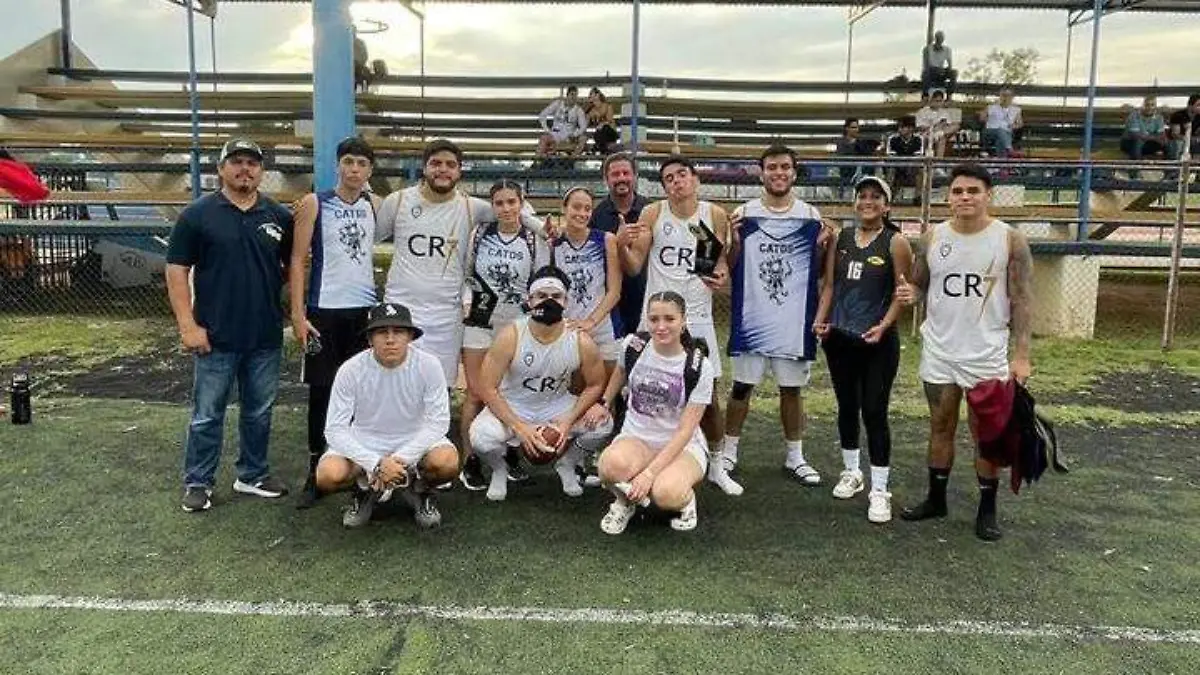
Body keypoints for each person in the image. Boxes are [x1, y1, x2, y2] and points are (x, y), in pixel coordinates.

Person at [376, 139, 544, 488]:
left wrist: (545, 228)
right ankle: (391, 457)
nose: (443, 170)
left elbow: (514, 210)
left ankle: (434, 458)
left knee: (438, 388)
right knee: (397, 382)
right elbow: (370, 238)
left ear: (460, 170)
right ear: (424, 167)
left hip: (447, 314)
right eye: (436, 163)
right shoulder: (399, 201)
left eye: (450, 164)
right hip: (403, 310)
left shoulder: (471, 207)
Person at [897, 163, 1034, 541]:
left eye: (973, 191)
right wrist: (912, 294)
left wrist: (1021, 355)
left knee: (985, 433)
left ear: (988, 195)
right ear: (948, 197)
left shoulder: (1009, 240)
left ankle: (987, 509)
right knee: (940, 425)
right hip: (940, 349)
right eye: (957, 191)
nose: (965, 197)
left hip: (985, 353)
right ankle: (936, 499)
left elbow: (1022, 300)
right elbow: (920, 285)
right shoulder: (932, 237)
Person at [166, 138, 293, 513]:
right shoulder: (197, 215)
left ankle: (252, 474)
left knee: (259, 412)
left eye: (252, 163)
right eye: (236, 162)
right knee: (207, 415)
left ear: (262, 171)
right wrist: (187, 325)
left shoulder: (278, 216)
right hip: (215, 335)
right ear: (221, 169)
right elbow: (176, 270)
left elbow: (292, 267)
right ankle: (198, 481)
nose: (244, 169)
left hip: (264, 335)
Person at [711, 145, 827, 496]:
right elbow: (728, 265)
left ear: (794, 172)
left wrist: (822, 245)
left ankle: (795, 457)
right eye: (772, 167)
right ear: (761, 173)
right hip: (753, 318)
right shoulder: (744, 214)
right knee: (741, 388)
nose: (779, 173)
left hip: (793, 320)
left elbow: (819, 270)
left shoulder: (810, 216)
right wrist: (732, 240)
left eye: (785, 167)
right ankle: (729, 453)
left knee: (792, 390)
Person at [812, 176, 913, 523]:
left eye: (875, 197)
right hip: (840, 337)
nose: (868, 202)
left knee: (874, 410)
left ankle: (880, 490)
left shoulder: (896, 242)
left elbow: (902, 294)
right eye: (862, 196)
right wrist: (821, 320)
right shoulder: (841, 238)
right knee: (847, 406)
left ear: (887, 206)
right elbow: (830, 285)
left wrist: (884, 326)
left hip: (877, 341)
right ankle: (851, 472)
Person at [288, 137, 382, 509]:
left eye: (362, 163)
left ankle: (361, 467)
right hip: (324, 311)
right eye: (348, 162)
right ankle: (315, 470)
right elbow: (298, 260)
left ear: (370, 170)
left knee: (364, 391)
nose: (354, 169)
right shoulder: (315, 202)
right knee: (323, 390)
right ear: (337, 165)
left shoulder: (376, 205)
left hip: (364, 313)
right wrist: (298, 314)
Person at [619, 155, 730, 462]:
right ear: (664, 187)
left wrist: (720, 275)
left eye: (682, 174)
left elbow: (718, 264)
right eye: (669, 178)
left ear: (695, 179)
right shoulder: (654, 213)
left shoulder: (714, 214)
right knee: (645, 391)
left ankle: (717, 463)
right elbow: (634, 266)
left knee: (708, 397)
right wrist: (621, 245)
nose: (676, 181)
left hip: (697, 315)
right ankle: (642, 452)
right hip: (658, 318)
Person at [469, 266, 613, 501]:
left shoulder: (580, 340)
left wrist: (568, 420)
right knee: (481, 437)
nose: (549, 301)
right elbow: (487, 387)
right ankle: (499, 469)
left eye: (556, 296)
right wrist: (519, 427)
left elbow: (595, 384)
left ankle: (567, 464)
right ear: (530, 300)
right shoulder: (511, 335)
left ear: (566, 301)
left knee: (602, 424)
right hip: (515, 404)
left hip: (557, 404)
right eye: (541, 296)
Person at [315, 302, 459, 529]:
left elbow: (438, 422)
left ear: (410, 336)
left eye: (398, 331)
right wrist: (375, 464)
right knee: (327, 475)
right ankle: (364, 491)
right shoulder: (350, 370)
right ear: (370, 338)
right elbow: (334, 429)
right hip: (366, 441)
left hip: (414, 438)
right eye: (382, 332)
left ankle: (420, 491)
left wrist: (400, 460)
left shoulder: (429, 365)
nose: (390, 339)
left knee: (447, 462)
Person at [594, 291, 715, 534]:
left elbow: (685, 431)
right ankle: (624, 502)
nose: (661, 326)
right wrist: (604, 402)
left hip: (681, 446)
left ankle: (686, 501)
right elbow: (620, 372)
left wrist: (649, 473)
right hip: (637, 437)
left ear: (683, 321)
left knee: (666, 493)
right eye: (654, 319)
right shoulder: (633, 346)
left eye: (669, 319)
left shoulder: (699, 366)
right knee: (609, 466)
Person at [458, 179, 549, 492]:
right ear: (492, 205)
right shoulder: (480, 233)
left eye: (512, 202)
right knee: (475, 393)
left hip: (516, 326)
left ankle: (509, 455)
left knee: (511, 392)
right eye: (499, 203)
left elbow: (541, 283)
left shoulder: (534, 239)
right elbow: (466, 273)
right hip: (480, 321)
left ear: (522, 203)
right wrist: (466, 300)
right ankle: (469, 460)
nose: (506, 208)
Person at [552, 186, 623, 373]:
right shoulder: (553, 243)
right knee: (575, 387)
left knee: (608, 388)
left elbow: (615, 291)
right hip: (569, 327)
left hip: (604, 327)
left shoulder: (606, 240)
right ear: (564, 208)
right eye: (576, 207)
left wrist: (591, 321)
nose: (582, 214)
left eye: (587, 209)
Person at [590, 152, 649, 336]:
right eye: (615, 174)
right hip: (610, 301)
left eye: (626, 173)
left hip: (646, 297)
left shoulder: (649, 211)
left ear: (635, 176)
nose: (621, 178)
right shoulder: (596, 215)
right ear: (606, 179)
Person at [537, 85, 589, 157]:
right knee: (543, 138)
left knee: (583, 138)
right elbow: (542, 115)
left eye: (576, 95)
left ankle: (572, 159)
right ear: (567, 95)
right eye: (572, 94)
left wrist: (575, 134)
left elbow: (583, 126)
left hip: (569, 136)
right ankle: (537, 160)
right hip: (555, 134)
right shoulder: (558, 104)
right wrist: (547, 130)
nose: (573, 97)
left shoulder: (578, 110)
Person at [915, 90, 962, 158]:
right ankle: (938, 160)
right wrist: (934, 127)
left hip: (941, 132)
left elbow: (948, 125)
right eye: (936, 101)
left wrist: (941, 128)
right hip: (927, 133)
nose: (938, 103)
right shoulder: (922, 111)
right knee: (941, 138)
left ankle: (940, 134)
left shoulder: (944, 112)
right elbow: (920, 126)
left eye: (940, 101)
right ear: (931, 100)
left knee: (956, 126)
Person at [886, 115, 924, 198]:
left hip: (912, 166)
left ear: (911, 128)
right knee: (891, 169)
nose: (900, 130)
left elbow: (918, 156)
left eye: (903, 127)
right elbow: (890, 156)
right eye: (899, 127)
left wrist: (909, 164)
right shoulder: (892, 139)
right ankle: (889, 196)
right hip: (897, 166)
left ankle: (918, 197)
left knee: (920, 169)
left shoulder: (918, 139)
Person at [1121, 96, 1169, 161]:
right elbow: (1136, 135)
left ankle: (1169, 165)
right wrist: (1154, 137)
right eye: (1147, 105)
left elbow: (1161, 134)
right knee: (1139, 141)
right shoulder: (1134, 116)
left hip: (1148, 142)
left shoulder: (1159, 118)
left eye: (1152, 105)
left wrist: (1159, 139)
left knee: (1166, 142)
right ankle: (1136, 164)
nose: (1149, 107)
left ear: (1155, 107)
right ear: (1142, 106)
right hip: (1130, 143)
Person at [980, 89, 1023, 158]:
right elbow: (982, 119)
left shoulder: (1016, 109)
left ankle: (1002, 160)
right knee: (1000, 130)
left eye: (1008, 95)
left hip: (1007, 132)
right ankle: (1010, 149)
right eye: (1003, 95)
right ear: (1000, 96)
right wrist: (985, 116)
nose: (1006, 98)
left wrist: (1013, 126)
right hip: (990, 131)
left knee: (1000, 139)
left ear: (1012, 97)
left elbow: (1020, 124)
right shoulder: (991, 107)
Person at [921, 31, 957, 98]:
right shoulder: (927, 49)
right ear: (935, 38)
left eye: (941, 38)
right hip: (931, 72)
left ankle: (949, 95)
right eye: (938, 38)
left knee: (954, 72)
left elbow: (950, 65)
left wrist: (946, 70)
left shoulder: (947, 50)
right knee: (925, 72)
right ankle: (926, 95)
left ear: (943, 39)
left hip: (941, 72)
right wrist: (936, 69)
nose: (939, 40)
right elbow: (926, 65)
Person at [585, 87, 620, 156]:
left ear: (598, 95)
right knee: (597, 134)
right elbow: (586, 123)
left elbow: (610, 121)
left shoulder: (607, 106)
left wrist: (602, 124)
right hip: (600, 135)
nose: (591, 96)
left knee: (604, 128)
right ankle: (602, 151)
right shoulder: (591, 110)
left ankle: (596, 148)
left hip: (610, 132)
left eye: (592, 94)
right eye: (590, 95)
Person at [1167, 94, 1199, 160]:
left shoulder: (1198, 116)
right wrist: (1191, 139)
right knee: (1179, 144)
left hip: (1192, 141)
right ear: (1190, 106)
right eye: (1198, 105)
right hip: (1176, 142)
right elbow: (1175, 135)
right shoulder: (1178, 115)